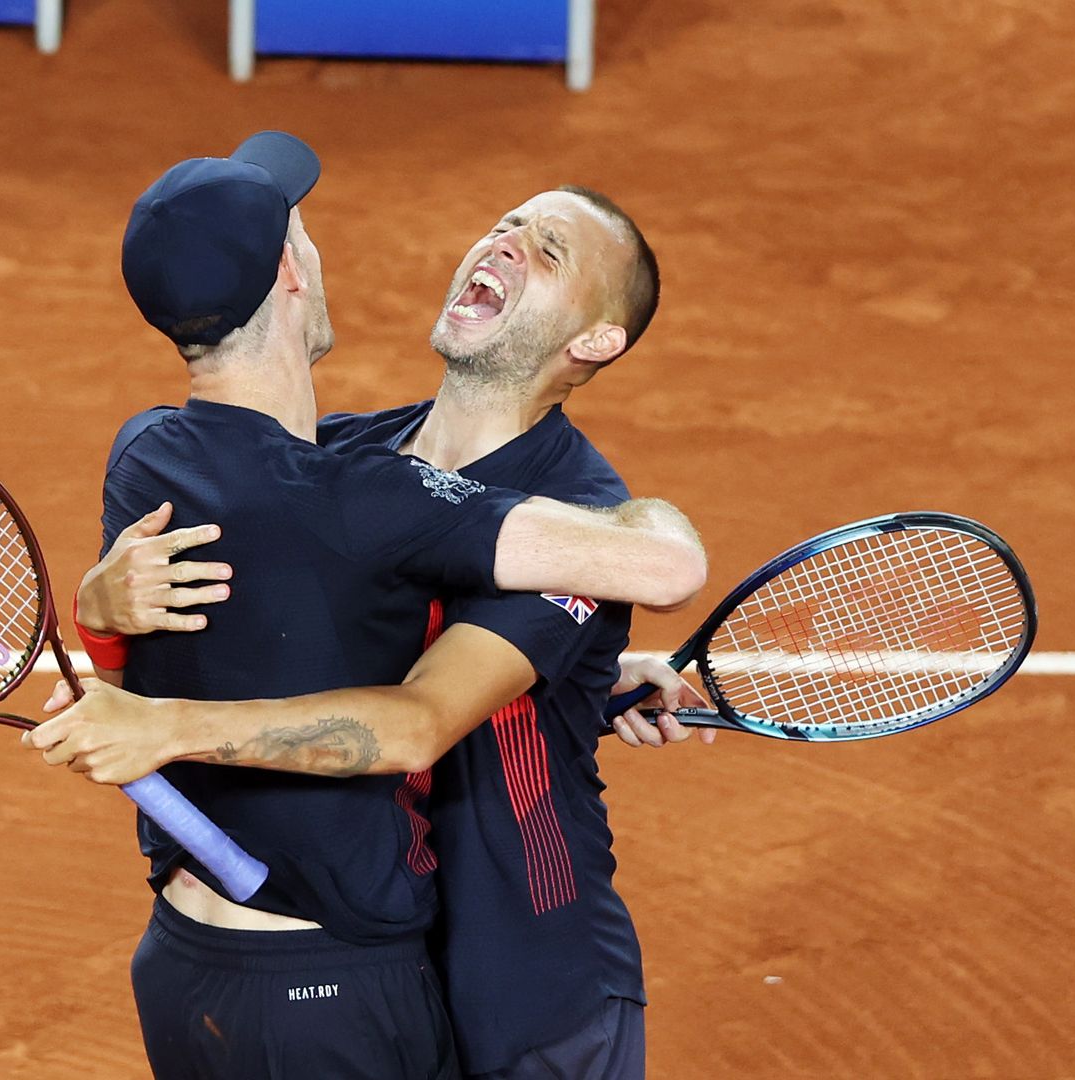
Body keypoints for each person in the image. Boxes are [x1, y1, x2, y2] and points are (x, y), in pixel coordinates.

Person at [65, 133, 705, 1080]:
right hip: (385, 959)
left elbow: (661, 569)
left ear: (595, 340)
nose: (503, 244)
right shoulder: (350, 457)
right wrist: (100, 602)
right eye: (505, 225)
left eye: (548, 251)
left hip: (534, 984)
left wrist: (628, 551)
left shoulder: (580, 522)